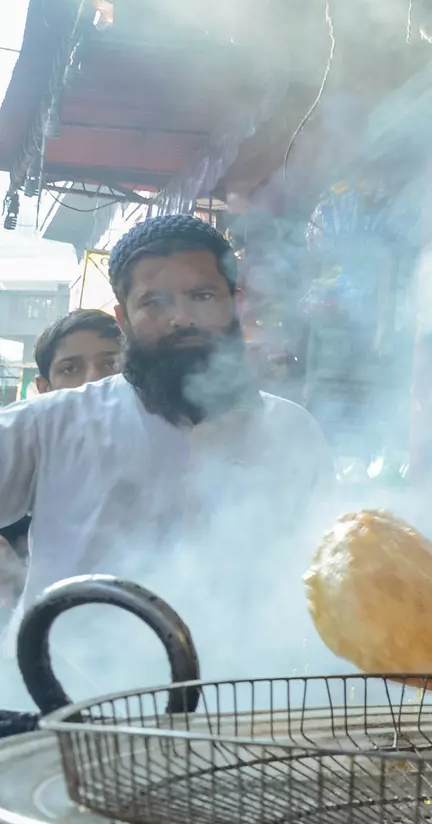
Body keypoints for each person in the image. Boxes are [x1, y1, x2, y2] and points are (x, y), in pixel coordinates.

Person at [0, 214, 333, 710]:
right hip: (62, 713)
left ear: (234, 304)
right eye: (154, 302)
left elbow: (322, 570)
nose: (181, 318)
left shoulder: (293, 432)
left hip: (238, 712)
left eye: (201, 296)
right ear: (123, 318)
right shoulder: (51, 423)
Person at [0, 311, 128, 604]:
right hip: (53, 630)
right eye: (71, 369)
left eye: (111, 364)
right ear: (45, 388)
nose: (94, 380)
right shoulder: (30, 445)